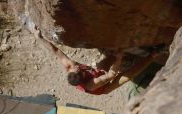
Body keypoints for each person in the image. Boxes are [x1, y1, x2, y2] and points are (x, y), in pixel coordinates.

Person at [34, 28, 162, 95]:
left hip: (95, 72)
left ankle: (126, 55)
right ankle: (153, 55)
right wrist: (119, 58)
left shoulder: (71, 67)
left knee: (110, 58)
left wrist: (39, 37)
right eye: (79, 69)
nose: (77, 66)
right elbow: (111, 75)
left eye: (75, 67)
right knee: (127, 76)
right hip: (104, 87)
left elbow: (56, 51)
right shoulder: (92, 84)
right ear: (82, 75)